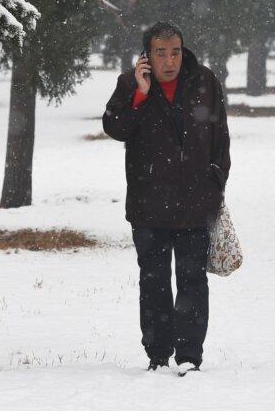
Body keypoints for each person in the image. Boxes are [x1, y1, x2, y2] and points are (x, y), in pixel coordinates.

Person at [102, 21, 231, 376]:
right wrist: (140, 94)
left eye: (174, 51)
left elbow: (221, 137)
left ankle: (189, 354)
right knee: (153, 280)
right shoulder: (131, 84)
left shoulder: (204, 81)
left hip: (195, 203)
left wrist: (215, 183)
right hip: (149, 205)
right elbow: (115, 127)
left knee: (192, 280)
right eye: (160, 53)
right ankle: (158, 353)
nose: (169, 60)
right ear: (148, 56)